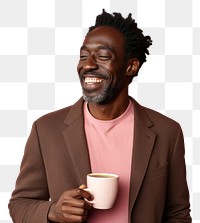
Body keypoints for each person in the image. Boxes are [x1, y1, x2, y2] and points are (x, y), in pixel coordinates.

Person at [9, 9, 191, 223]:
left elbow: (177, 214)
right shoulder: (46, 129)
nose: (88, 65)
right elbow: (20, 204)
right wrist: (53, 211)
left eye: (103, 56)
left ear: (131, 66)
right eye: (83, 56)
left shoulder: (167, 131)